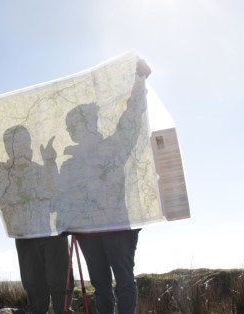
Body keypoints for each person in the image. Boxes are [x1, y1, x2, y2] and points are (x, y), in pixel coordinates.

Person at [64, 59, 152, 314]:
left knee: (124, 281)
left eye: (81, 124)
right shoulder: (70, 165)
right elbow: (64, 198)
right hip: (87, 233)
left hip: (116, 227)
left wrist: (139, 81)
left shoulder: (113, 148)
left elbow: (130, 118)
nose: (76, 132)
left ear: (93, 123)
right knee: (101, 285)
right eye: (73, 128)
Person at [0, 119, 71, 314]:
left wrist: (50, 162)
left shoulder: (42, 168)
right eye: (13, 143)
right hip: (25, 237)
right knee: (34, 287)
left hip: (53, 234)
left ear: (29, 144)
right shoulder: (3, 173)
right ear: (7, 147)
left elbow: (58, 193)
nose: (18, 147)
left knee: (60, 284)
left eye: (22, 141)